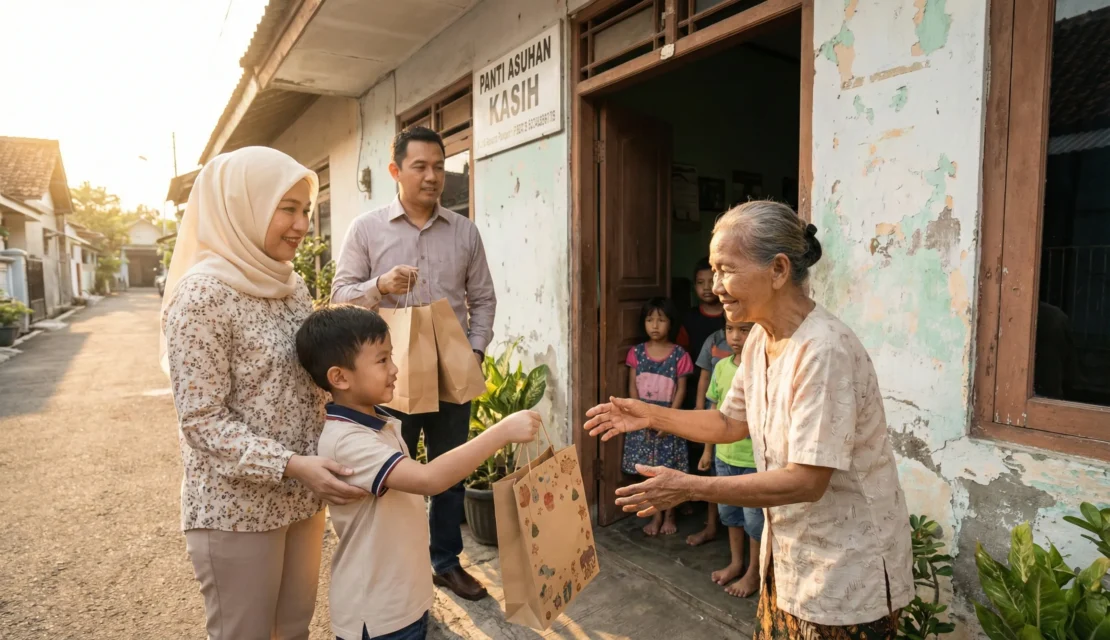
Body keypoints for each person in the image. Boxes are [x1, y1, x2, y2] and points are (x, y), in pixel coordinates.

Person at [585, 200, 913, 639]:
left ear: (778, 270)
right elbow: (728, 422)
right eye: (713, 272)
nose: (716, 285)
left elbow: (806, 480)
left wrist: (689, 487)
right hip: (792, 556)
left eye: (726, 270)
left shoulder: (823, 351)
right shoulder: (760, 336)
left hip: (845, 569)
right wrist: (648, 414)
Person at [161, 147, 368, 640]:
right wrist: (293, 464)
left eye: (306, 210)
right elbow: (202, 421)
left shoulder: (290, 286)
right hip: (237, 508)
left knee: (293, 628)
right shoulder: (202, 297)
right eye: (287, 209)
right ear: (243, 206)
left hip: (301, 497)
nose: (301, 225)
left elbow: (311, 373)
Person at [294, 305, 540, 640]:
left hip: (403, 600)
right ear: (340, 377)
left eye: (391, 356)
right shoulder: (346, 440)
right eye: (382, 360)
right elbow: (429, 479)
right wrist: (502, 432)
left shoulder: (376, 421)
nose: (395, 368)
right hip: (380, 615)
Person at [331, 125, 497, 600]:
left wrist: (477, 351)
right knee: (392, 471)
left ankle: (445, 562)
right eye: (419, 166)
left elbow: (483, 299)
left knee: (450, 471)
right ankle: (397, 567)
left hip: (452, 369)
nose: (431, 176)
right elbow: (339, 295)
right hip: (388, 375)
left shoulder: (465, 230)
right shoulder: (366, 228)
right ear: (395, 171)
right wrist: (380, 285)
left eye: (439, 166)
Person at [622, 296, 693, 537]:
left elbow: (681, 389)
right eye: (650, 320)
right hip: (643, 421)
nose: (654, 325)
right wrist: (641, 415)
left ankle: (670, 514)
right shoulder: (636, 353)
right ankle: (655, 513)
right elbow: (632, 387)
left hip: (667, 421)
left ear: (671, 324)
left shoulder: (679, 355)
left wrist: (668, 420)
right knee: (647, 471)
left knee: (668, 470)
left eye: (661, 320)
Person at [704, 318, 760, 598]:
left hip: (753, 460)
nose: (735, 336)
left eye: (744, 329)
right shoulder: (721, 368)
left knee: (755, 521)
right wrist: (707, 450)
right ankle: (736, 563)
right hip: (724, 457)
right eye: (729, 329)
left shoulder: (763, 371)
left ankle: (754, 572)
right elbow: (714, 413)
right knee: (731, 515)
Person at [684, 325, 733, 547]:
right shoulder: (714, 340)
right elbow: (704, 376)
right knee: (714, 474)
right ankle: (712, 525)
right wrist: (698, 408)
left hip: (743, 427)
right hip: (716, 414)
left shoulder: (757, 340)